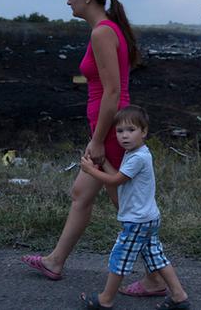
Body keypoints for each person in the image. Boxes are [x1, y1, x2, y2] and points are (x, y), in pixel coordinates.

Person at [21, 0, 167, 296]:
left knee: (130, 211)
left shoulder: (102, 32)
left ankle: (158, 279)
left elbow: (113, 93)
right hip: (105, 128)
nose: (67, 1)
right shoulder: (109, 29)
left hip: (110, 132)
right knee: (81, 194)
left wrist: (99, 140)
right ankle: (55, 261)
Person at [79, 105, 190, 310]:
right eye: (120, 131)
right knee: (155, 257)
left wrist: (89, 170)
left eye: (131, 130)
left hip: (137, 220)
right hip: (147, 217)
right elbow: (118, 176)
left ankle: (105, 300)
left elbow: (115, 180)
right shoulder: (136, 153)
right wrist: (102, 163)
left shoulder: (138, 157)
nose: (124, 136)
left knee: (120, 256)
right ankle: (179, 296)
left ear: (144, 132)